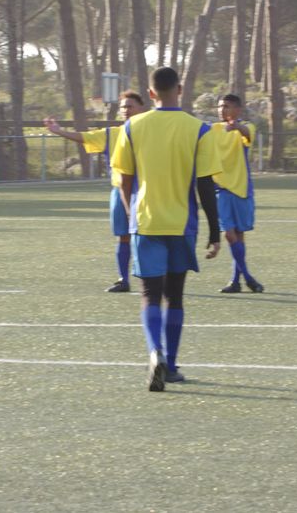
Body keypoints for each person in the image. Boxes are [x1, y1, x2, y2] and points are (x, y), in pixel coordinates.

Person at [110, 67, 222, 391]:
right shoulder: (199, 130)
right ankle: (170, 365)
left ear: (151, 93)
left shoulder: (132, 127)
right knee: (175, 296)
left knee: (149, 294)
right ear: (180, 89)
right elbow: (205, 185)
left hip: (146, 222)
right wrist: (215, 233)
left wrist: (131, 214)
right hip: (181, 224)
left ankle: (153, 351)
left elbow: (124, 179)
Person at [43, 91, 146, 292]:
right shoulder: (112, 134)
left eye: (130, 106)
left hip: (145, 191)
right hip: (120, 191)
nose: (126, 110)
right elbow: (84, 137)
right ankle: (123, 279)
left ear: (141, 108)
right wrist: (58, 131)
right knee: (123, 236)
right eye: (123, 107)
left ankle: (151, 278)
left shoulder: (150, 133)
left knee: (147, 236)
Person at [211, 94, 264, 293]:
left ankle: (235, 281)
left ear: (238, 110)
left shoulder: (246, 127)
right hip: (220, 190)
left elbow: (247, 135)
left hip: (241, 188)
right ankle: (248, 278)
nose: (221, 110)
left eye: (226, 106)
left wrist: (236, 127)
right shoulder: (213, 129)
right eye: (220, 106)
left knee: (239, 235)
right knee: (229, 234)